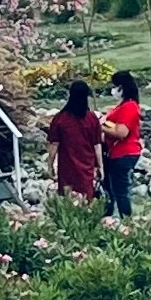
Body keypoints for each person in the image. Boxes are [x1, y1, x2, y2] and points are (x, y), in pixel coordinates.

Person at [47, 77, 105, 205]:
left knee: (68, 200)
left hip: (67, 168)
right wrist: (100, 166)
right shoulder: (92, 118)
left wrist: (50, 165)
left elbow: (53, 146)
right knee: (86, 200)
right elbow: (97, 145)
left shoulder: (60, 119)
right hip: (87, 167)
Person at [102, 70, 145, 218]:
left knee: (120, 191)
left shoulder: (129, 107)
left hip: (124, 152)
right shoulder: (124, 105)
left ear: (121, 87)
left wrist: (100, 126)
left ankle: (126, 220)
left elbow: (121, 132)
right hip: (117, 152)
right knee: (114, 189)